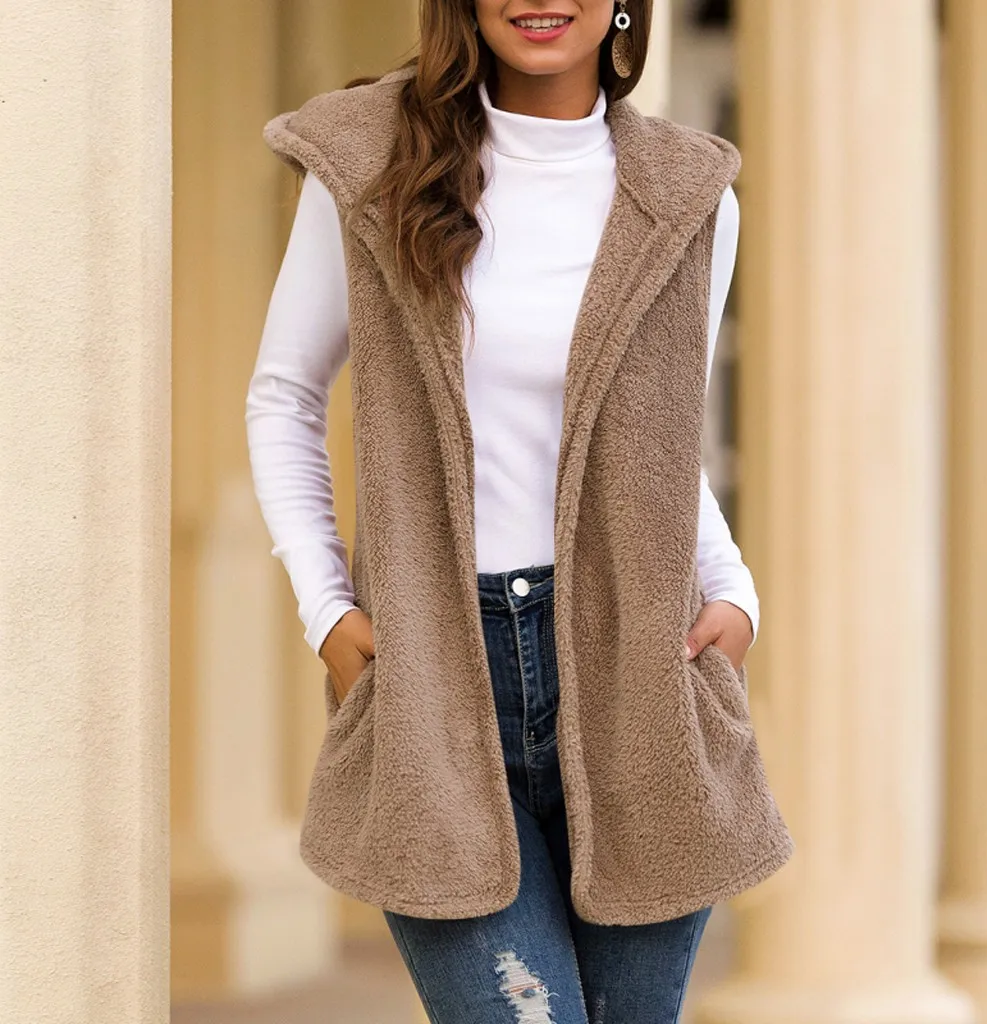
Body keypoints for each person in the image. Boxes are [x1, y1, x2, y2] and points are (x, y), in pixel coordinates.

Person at [247, 2, 793, 1021]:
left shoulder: (691, 197)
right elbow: (283, 397)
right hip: (436, 669)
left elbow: (655, 445)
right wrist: (327, 611)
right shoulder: (370, 163)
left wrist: (734, 590)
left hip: (642, 674)